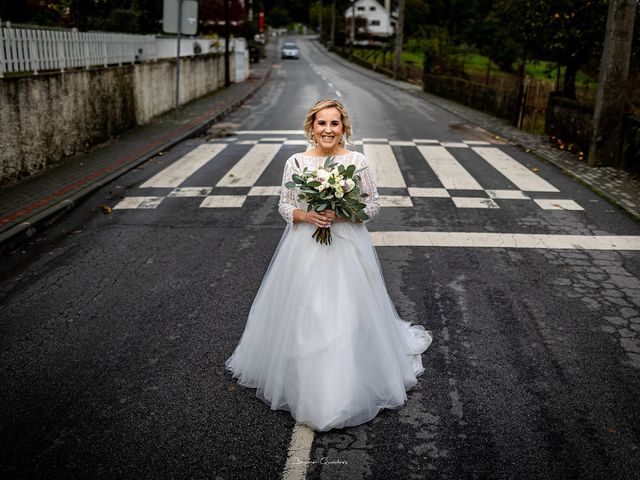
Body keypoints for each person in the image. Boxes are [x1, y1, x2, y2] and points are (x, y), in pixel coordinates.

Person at [225, 99, 432, 431]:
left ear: (343, 128)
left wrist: (343, 213)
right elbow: (284, 205)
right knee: (306, 312)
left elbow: (373, 206)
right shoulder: (296, 161)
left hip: (348, 246)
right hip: (305, 246)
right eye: (322, 123)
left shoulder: (357, 161)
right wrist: (308, 215)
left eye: (334, 124)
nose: (328, 130)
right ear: (312, 126)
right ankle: (308, 384)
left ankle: (343, 386)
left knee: (347, 313)